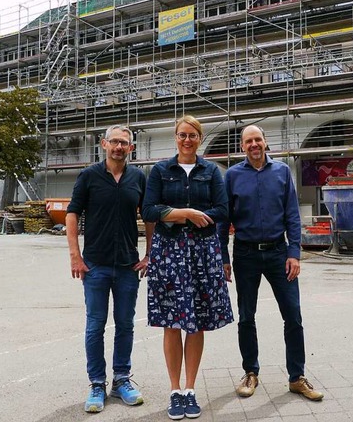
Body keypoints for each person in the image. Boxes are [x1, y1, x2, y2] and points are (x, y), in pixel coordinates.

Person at [217, 125, 324, 402]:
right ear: (243, 146)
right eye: (248, 141)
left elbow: (292, 214)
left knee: (293, 315)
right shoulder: (232, 176)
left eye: (258, 139)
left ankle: (296, 378)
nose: (254, 144)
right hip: (245, 254)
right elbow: (223, 221)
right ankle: (250, 372)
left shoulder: (282, 172)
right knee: (245, 316)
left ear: (266, 143)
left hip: (279, 254)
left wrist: (294, 253)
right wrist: (223, 258)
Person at [142, 115, 234, 420]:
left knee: (196, 319)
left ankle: (191, 388)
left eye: (193, 135)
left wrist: (198, 218)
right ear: (175, 138)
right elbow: (149, 209)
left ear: (200, 138)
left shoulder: (210, 171)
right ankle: (174, 389)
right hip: (168, 251)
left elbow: (223, 210)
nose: (187, 140)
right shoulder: (160, 170)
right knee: (172, 320)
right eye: (182, 135)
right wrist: (185, 213)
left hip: (202, 252)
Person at [66, 124, 153, 413]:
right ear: (104, 144)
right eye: (114, 141)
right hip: (95, 266)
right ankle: (96, 384)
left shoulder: (138, 178)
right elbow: (72, 214)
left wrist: (150, 253)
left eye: (124, 143)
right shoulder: (89, 176)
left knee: (125, 325)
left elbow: (150, 216)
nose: (118, 147)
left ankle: (121, 380)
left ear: (131, 148)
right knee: (95, 326)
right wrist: (75, 257)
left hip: (128, 266)